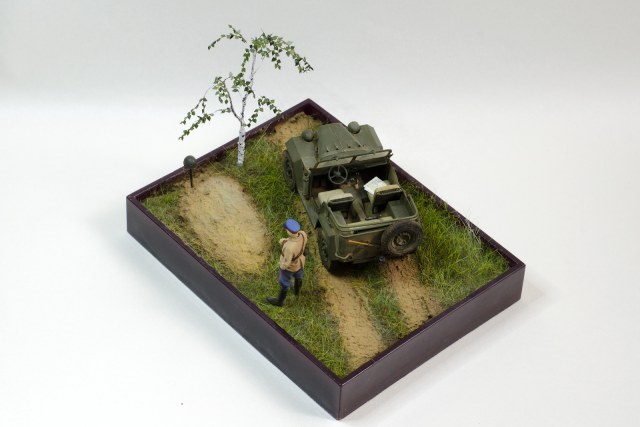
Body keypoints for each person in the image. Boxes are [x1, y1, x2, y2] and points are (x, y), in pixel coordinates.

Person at [266, 218, 308, 307]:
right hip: (300, 263)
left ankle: (279, 301)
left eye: (286, 229)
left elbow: (286, 263)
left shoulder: (289, 248)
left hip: (290, 268)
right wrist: (285, 241)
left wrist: (281, 267)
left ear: (289, 232)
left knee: (284, 282)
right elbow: (297, 243)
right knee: (298, 277)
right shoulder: (303, 234)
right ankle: (297, 291)